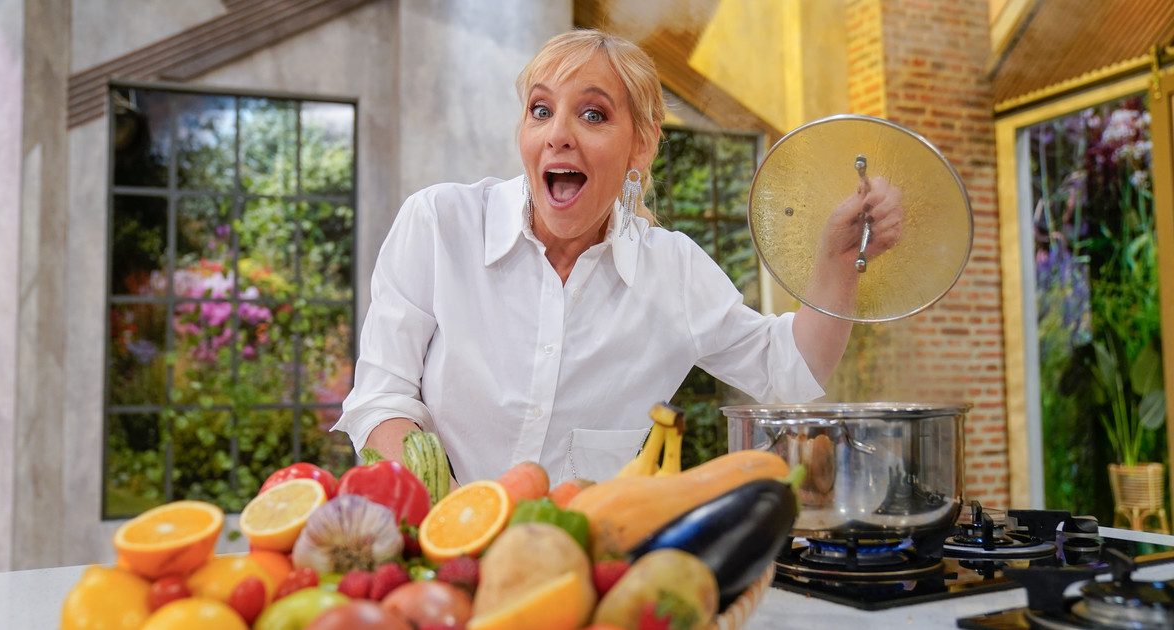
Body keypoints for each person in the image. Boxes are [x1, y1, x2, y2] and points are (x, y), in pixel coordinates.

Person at [332, 28, 902, 485]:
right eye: (540, 110)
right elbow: (382, 397)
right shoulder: (439, 224)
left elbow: (792, 369)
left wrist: (837, 260)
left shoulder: (672, 272)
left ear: (641, 145)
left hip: (586, 569)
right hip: (434, 549)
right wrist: (444, 513)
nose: (557, 134)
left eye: (593, 115)